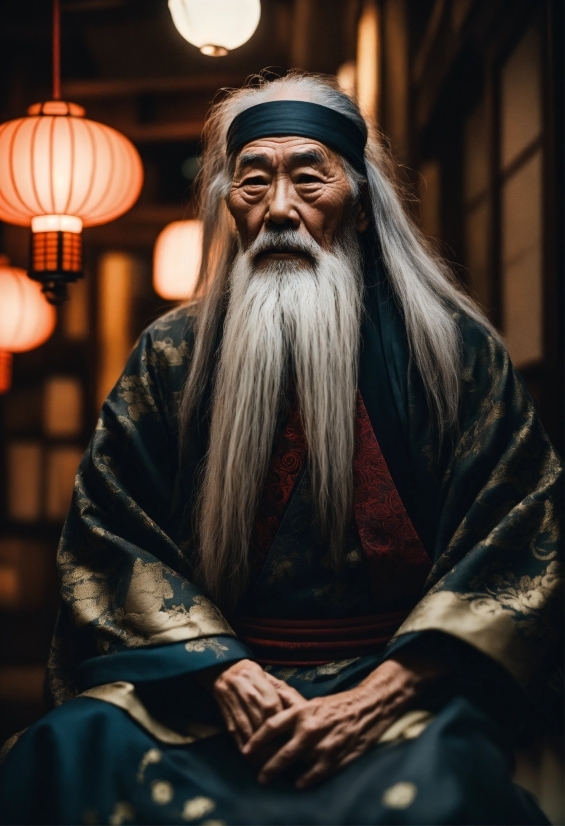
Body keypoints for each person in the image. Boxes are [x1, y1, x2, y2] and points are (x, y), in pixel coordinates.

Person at [0, 72, 561, 826]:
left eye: (308, 176)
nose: (280, 209)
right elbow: (111, 532)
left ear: (360, 204)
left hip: (401, 678)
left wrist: (383, 690)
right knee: (67, 750)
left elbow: (518, 532)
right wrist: (223, 672)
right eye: (252, 180)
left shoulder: (451, 352)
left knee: (442, 792)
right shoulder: (171, 355)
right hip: (207, 678)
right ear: (229, 204)